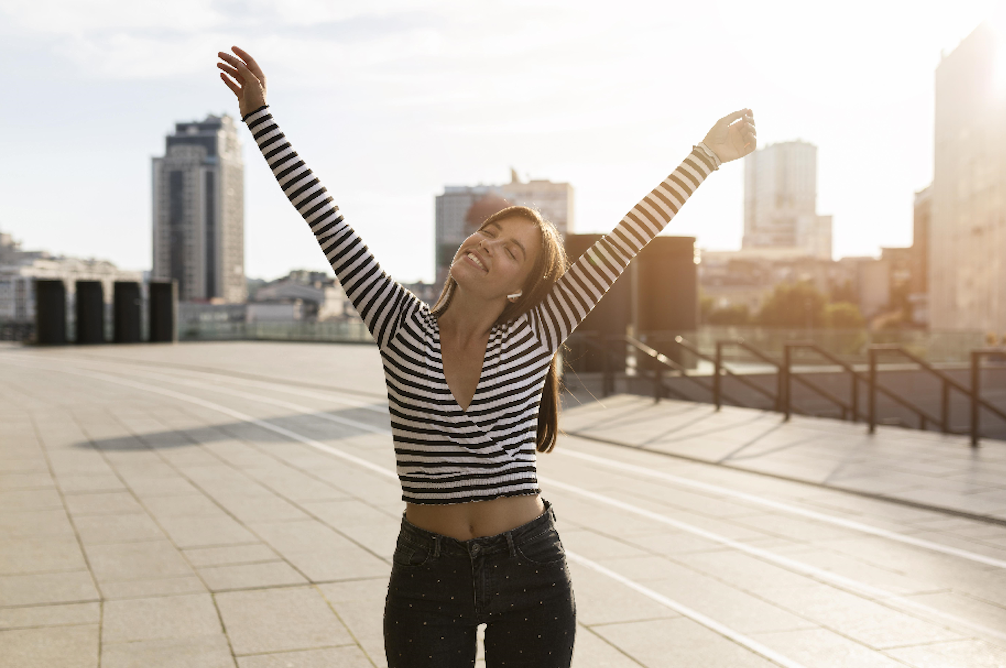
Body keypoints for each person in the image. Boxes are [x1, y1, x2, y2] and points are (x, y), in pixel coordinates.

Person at [217, 45, 755, 668]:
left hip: (529, 570)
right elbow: (323, 215)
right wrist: (260, 116)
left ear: (520, 286)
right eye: (488, 233)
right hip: (427, 574)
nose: (487, 245)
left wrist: (707, 156)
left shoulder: (536, 334)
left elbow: (629, 235)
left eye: (511, 251)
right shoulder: (399, 324)